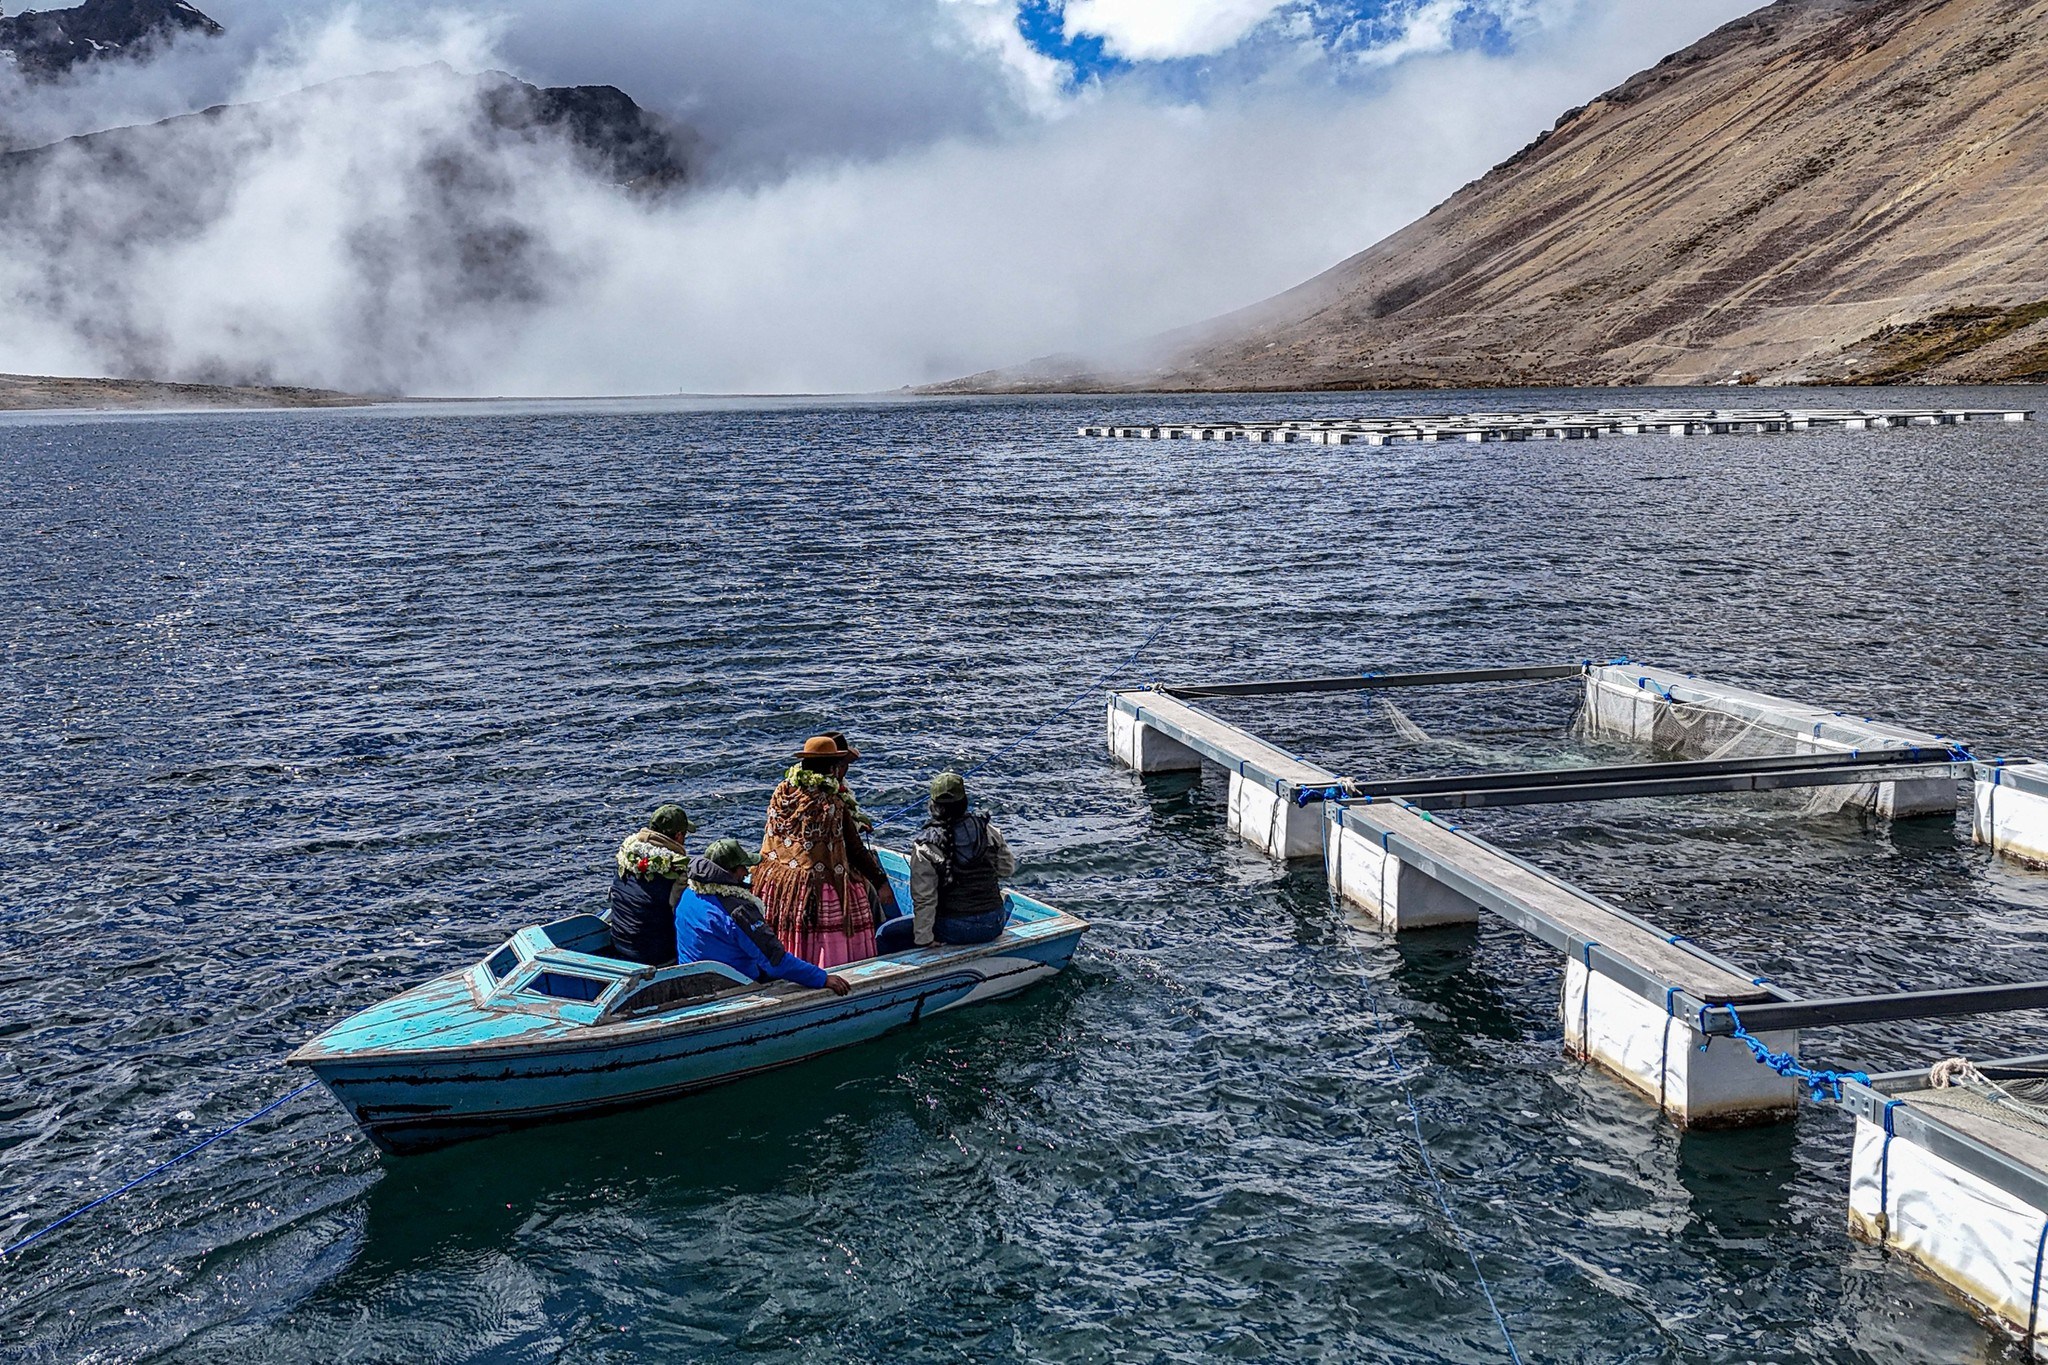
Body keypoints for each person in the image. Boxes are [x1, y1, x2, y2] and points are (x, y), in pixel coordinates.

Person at [755, 734, 888, 967]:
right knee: (857, 896)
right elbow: (855, 848)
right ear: (833, 768)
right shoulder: (831, 802)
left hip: (779, 881)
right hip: (816, 884)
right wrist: (880, 881)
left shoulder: (783, 791)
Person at [674, 838, 851, 995]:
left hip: (693, 981)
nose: (746, 872)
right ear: (732, 872)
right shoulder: (739, 912)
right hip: (731, 987)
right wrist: (821, 978)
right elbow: (775, 961)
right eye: (743, 867)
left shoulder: (689, 893)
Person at [907, 771, 1017, 947]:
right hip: (994, 923)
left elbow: (924, 899)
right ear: (964, 802)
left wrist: (924, 940)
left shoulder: (925, 845)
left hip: (954, 929)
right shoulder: (989, 830)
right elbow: (1007, 869)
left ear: (933, 805)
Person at [609, 803, 698, 965]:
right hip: (653, 954)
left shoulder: (627, 854)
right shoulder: (678, 872)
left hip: (619, 942)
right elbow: (684, 914)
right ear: (678, 836)